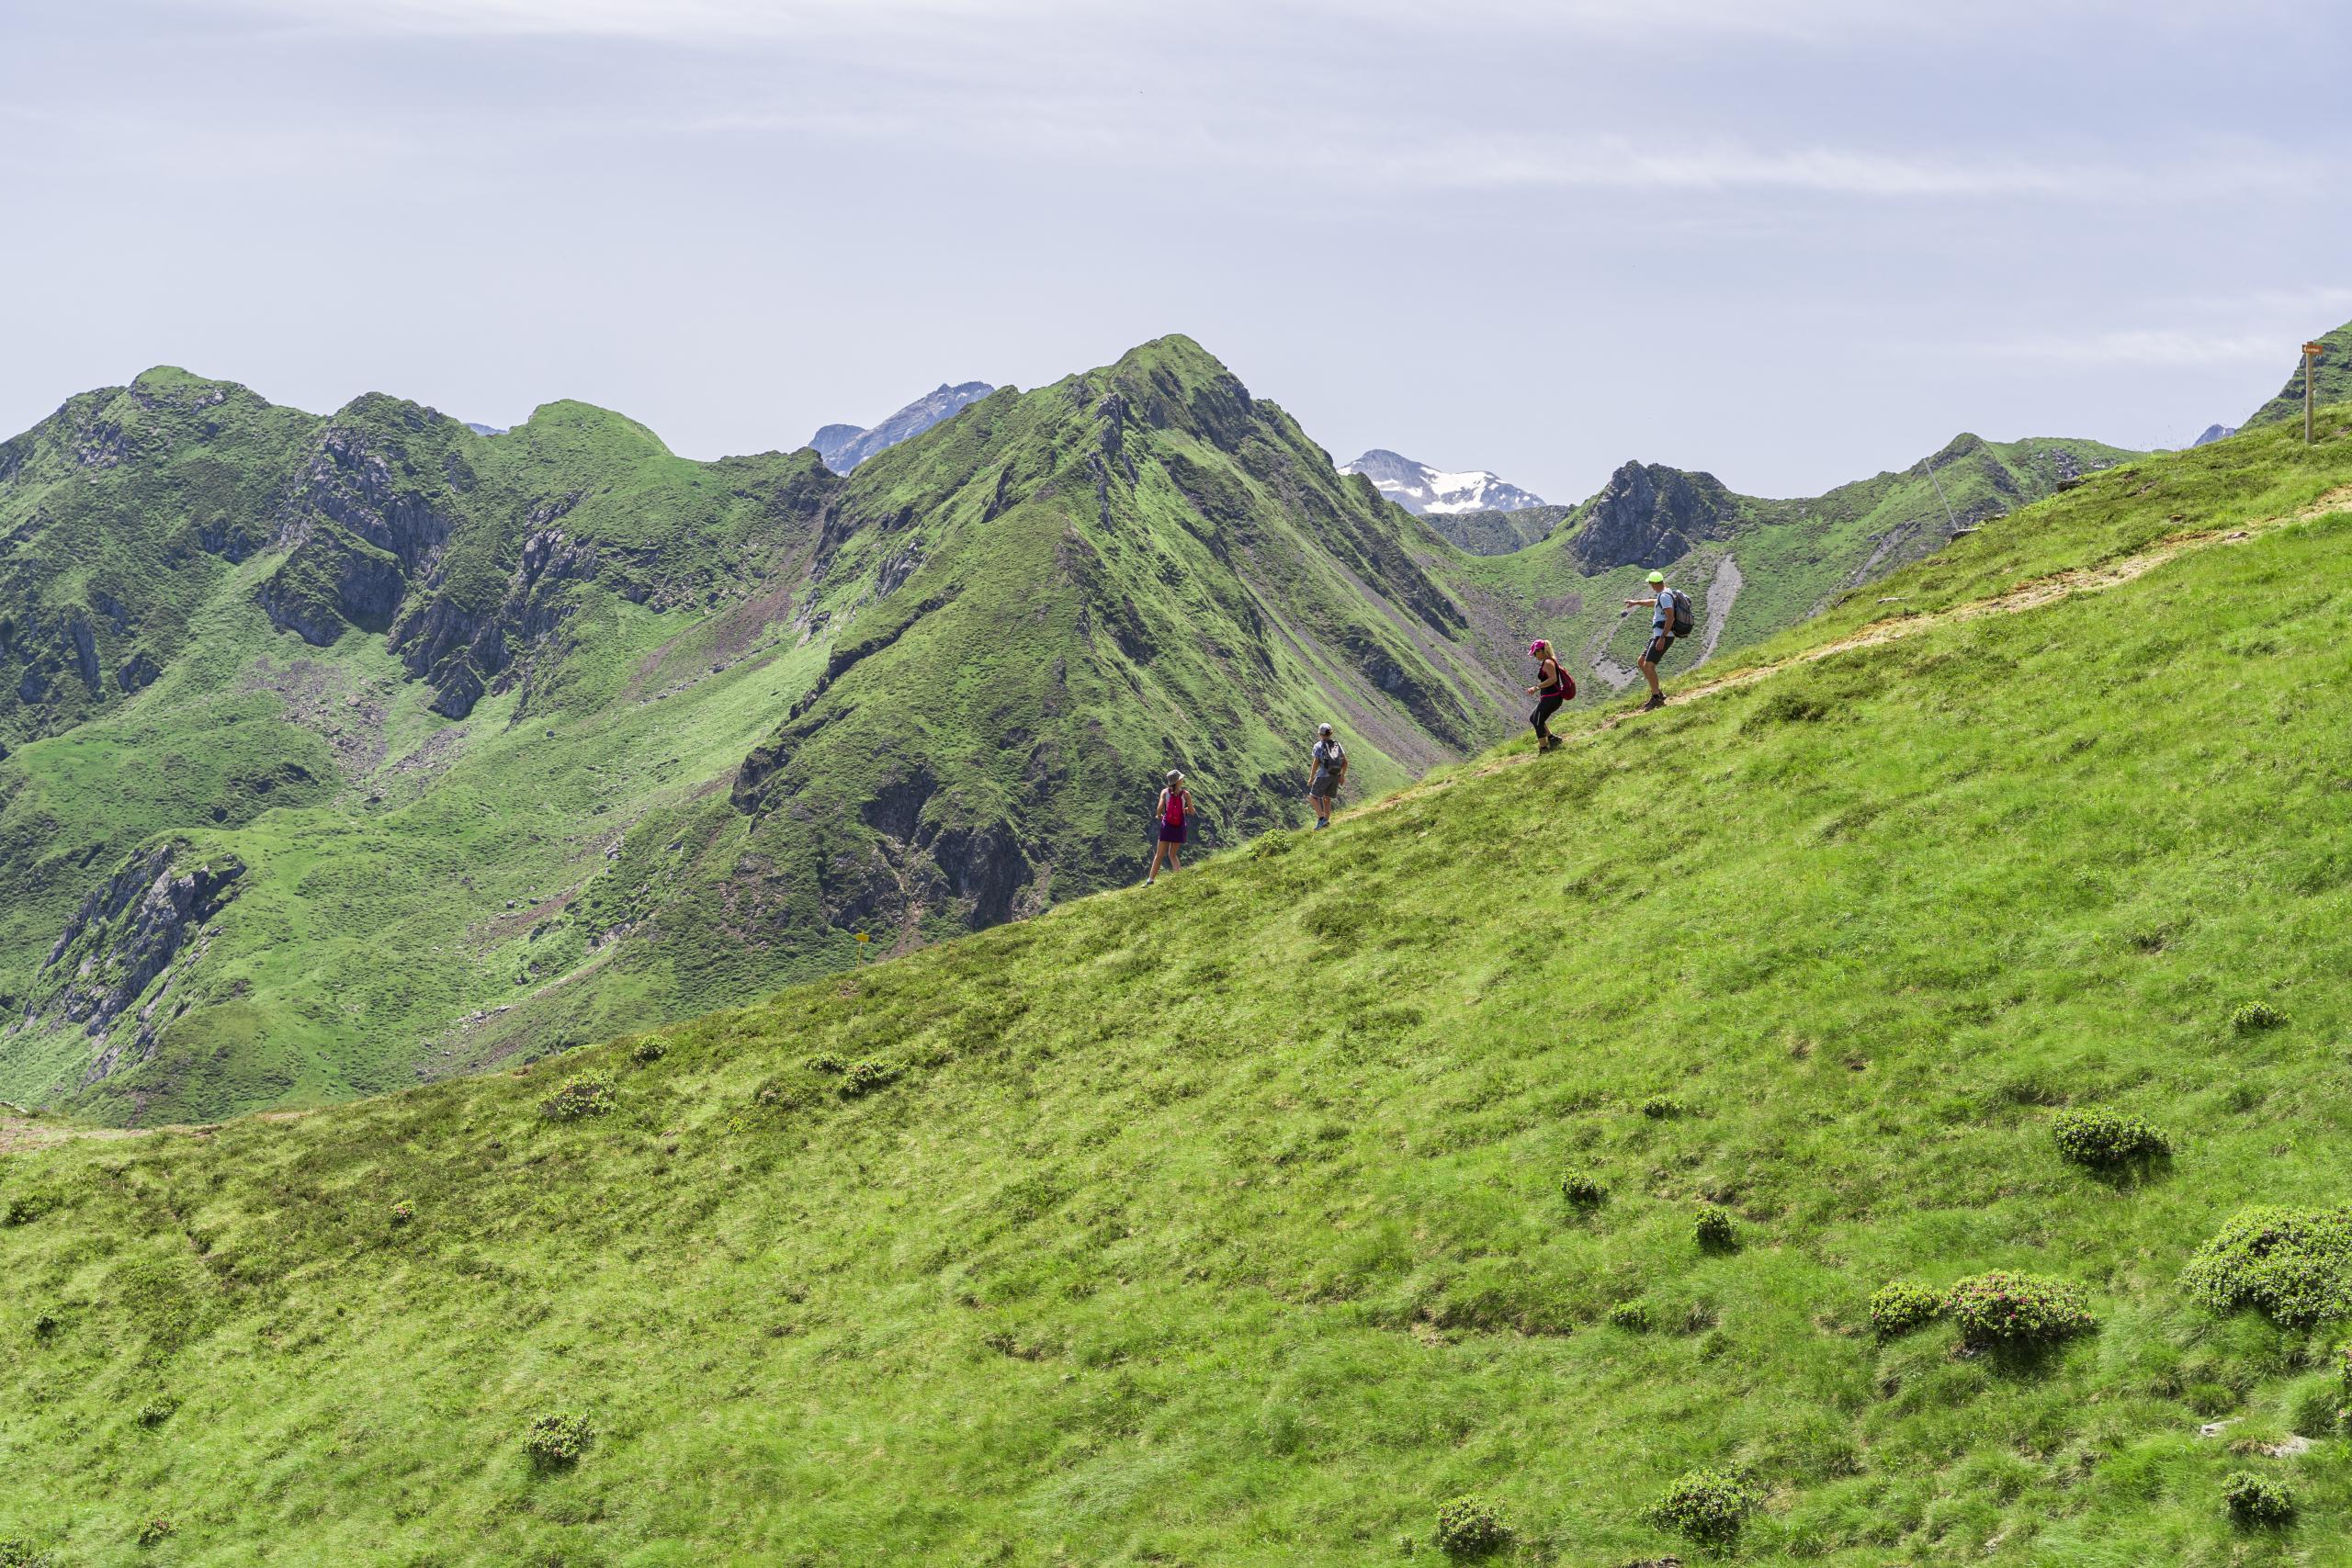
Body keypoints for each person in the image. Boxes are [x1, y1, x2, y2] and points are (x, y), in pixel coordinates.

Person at [1623, 570, 1679, 711]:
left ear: (1654, 584)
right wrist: (1636, 602)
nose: (1650, 586)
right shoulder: (1664, 594)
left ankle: (1656, 698)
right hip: (1658, 635)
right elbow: (1653, 602)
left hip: (1663, 636)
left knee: (1649, 665)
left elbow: (1670, 617)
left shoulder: (1665, 596)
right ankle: (1658, 692)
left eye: (1650, 584)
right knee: (1641, 662)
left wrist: (1662, 637)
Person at [1145, 770, 1193, 884]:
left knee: (1159, 854)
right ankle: (1179, 879)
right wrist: (1185, 810)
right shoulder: (1186, 794)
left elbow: (1159, 808)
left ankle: (1150, 880)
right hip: (1179, 826)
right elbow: (1192, 811)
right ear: (1179, 780)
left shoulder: (1164, 792)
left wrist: (1159, 816)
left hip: (1167, 826)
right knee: (1172, 854)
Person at [1524, 639, 1572, 750]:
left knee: (1537, 721)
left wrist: (1536, 687)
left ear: (1541, 650)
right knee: (1533, 718)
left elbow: (1553, 679)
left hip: (1552, 698)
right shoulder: (1549, 661)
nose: (1534, 656)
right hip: (1551, 698)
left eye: (1535, 653)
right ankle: (1552, 738)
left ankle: (1544, 749)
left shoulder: (1548, 662)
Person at [1306, 723, 1348, 829]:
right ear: (1331, 733)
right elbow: (1345, 762)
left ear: (1320, 734)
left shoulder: (1318, 746)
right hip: (1335, 775)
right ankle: (1326, 823)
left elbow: (1316, 763)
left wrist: (1311, 777)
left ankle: (1321, 819)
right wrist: (1342, 776)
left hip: (1323, 776)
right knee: (1327, 798)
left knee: (1312, 797)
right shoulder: (1337, 744)